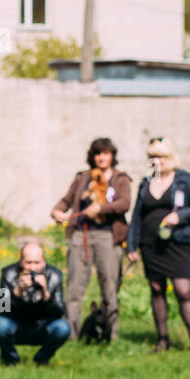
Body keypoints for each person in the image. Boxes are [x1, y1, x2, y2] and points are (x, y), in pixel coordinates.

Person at [126, 137, 190, 353]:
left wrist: (178, 217)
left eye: (160, 156)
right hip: (150, 243)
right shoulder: (147, 180)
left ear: (170, 157)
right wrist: (131, 246)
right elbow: (137, 215)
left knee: (183, 290)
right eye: (152, 157)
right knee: (156, 288)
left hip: (177, 242)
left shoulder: (184, 179)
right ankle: (162, 339)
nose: (157, 161)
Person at [50, 136, 131, 341]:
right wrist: (58, 211)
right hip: (81, 234)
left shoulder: (120, 179)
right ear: (92, 156)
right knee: (75, 285)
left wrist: (101, 209)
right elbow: (67, 200)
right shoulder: (82, 178)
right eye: (97, 153)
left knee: (110, 285)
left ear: (112, 156)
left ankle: (110, 334)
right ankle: (70, 333)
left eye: (105, 153)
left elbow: (124, 203)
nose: (101, 157)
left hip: (108, 236)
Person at [0, 240, 69, 366]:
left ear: (44, 262)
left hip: (42, 326)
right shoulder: (8, 273)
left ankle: (42, 359)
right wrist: (17, 292)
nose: (33, 268)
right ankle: (10, 359)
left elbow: (59, 311)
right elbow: (2, 307)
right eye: (28, 262)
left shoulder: (55, 275)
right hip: (16, 325)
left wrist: (45, 292)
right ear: (21, 261)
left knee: (62, 328)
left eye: (37, 263)